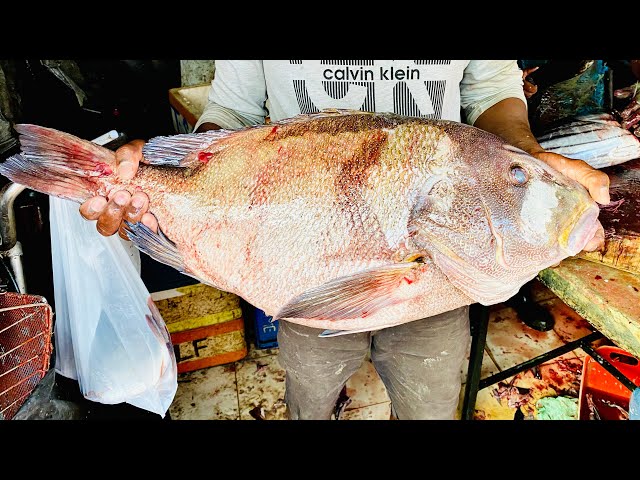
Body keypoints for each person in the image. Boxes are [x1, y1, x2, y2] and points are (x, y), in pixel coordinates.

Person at [79, 60, 610, 420]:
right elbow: (231, 114)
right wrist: (166, 181)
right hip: (300, 262)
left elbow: (493, 93)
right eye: (516, 178)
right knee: (309, 396)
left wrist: (527, 158)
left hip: (443, 277)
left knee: (430, 404)